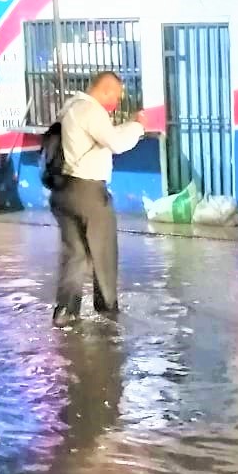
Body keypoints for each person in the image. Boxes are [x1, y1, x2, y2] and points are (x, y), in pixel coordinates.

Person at [50, 71, 145, 327]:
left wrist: (129, 125)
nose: (117, 100)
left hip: (63, 191)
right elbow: (116, 143)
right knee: (103, 252)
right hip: (89, 192)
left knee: (75, 254)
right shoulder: (91, 110)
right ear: (105, 90)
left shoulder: (70, 107)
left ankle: (65, 312)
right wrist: (137, 125)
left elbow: (105, 136)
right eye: (116, 95)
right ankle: (107, 311)